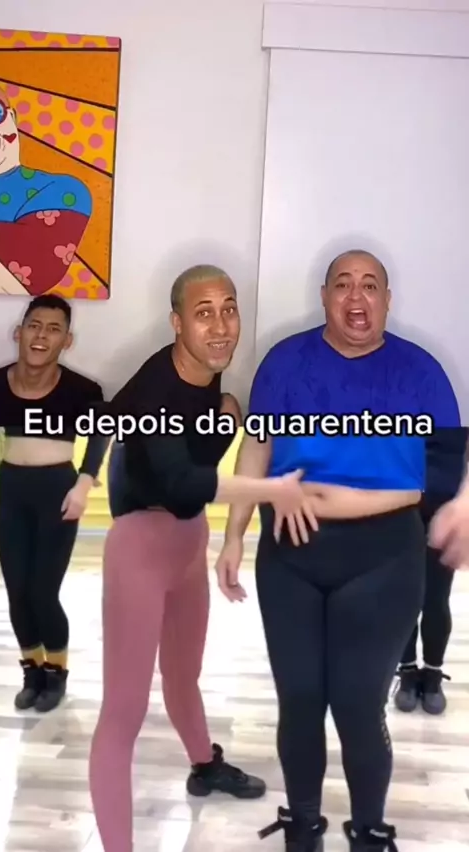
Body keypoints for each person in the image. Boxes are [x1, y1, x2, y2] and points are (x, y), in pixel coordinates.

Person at [215, 249, 461, 852]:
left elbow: (445, 467)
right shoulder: (284, 361)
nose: (357, 297)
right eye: (344, 285)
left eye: (370, 285)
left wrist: (442, 507)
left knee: (355, 705)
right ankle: (303, 823)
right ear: (324, 296)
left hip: (384, 557)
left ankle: (369, 830)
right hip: (291, 555)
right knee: (300, 701)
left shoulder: (420, 371)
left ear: (386, 300)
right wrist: (234, 533)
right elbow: (257, 447)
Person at [88, 265, 316, 852]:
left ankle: (203, 765)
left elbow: (199, 453)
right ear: (176, 322)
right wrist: (270, 488)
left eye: (229, 309)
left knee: (183, 675)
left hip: (187, 544)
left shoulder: (207, 378)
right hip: (139, 549)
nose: (220, 326)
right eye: (204, 313)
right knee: (123, 711)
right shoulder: (154, 393)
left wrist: (227, 413)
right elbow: (184, 481)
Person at [0, 294, 106, 712]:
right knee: (17, 593)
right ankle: (32, 672)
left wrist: (83, 484)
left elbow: (101, 434)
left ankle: (56, 673)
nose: (42, 336)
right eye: (35, 326)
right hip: (12, 490)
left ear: (66, 341)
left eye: (54, 329)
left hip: (57, 491)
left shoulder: (82, 390)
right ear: (19, 332)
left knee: (42, 592)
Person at [393, 427, 467, 715]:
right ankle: (407, 671)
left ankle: (433, 673)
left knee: (436, 596)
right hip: (398, 501)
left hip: (447, 503)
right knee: (403, 595)